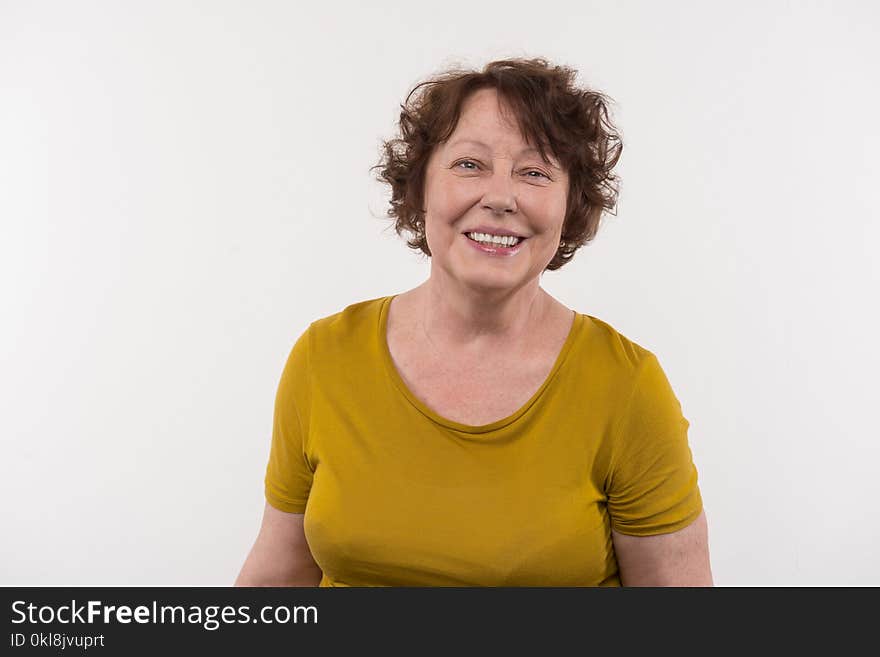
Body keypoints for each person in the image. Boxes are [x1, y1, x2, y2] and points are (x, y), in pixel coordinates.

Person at [234, 57, 713, 587]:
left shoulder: (626, 388)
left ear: (571, 206)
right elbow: (277, 579)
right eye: (469, 164)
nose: (501, 197)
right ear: (419, 189)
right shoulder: (324, 357)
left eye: (535, 173)